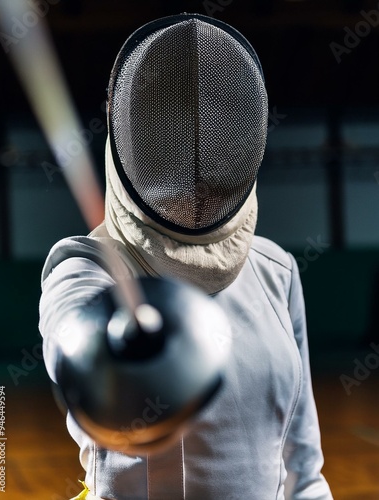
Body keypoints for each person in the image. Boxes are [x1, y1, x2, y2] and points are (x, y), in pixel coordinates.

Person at [39, 13, 333, 500]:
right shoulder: (87, 265)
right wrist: (112, 345)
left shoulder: (275, 270)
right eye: (171, 141)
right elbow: (67, 333)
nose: (193, 175)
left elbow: (302, 464)